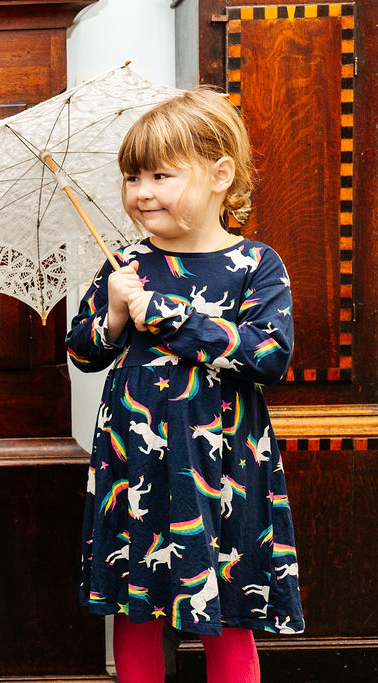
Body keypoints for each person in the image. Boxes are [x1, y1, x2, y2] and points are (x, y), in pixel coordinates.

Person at [66, 89, 304, 682]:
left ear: (221, 175)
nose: (141, 192)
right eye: (131, 177)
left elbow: (268, 355)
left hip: (225, 466)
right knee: (137, 600)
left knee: (228, 605)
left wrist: (169, 315)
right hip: (136, 466)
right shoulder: (123, 264)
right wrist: (115, 316)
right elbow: (81, 351)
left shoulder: (256, 264)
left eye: (161, 175)